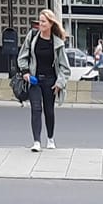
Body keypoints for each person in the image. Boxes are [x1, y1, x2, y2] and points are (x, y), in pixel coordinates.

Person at [16, 8, 71, 152]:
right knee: (36, 109)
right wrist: (25, 72)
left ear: (51, 23)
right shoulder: (33, 36)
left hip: (51, 82)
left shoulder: (57, 43)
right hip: (34, 80)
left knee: (49, 110)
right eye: (40, 21)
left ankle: (50, 138)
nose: (40, 24)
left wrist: (60, 83)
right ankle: (36, 142)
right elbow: (22, 56)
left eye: (43, 21)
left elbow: (65, 68)